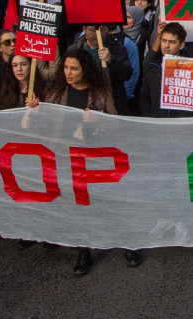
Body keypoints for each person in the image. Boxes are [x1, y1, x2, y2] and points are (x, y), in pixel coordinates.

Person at [43, 49, 136, 274]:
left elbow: (114, 124)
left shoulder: (100, 90)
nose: (68, 72)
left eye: (74, 68)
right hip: (68, 157)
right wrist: (34, 110)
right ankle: (83, 252)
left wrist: (98, 120)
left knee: (110, 202)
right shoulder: (55, 91)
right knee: (79, 207)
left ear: (85, 69)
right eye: (65, 67)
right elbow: (46, 123)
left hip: (96, 155)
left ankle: (127, 244)